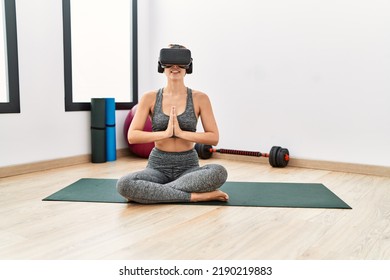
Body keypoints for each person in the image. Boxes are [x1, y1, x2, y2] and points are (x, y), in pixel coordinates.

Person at [116, 44, 228, 204]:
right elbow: (132, 136)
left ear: (188, 66)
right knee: (124, 184)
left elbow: (214, 137)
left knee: (219, 172)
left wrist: (181, 133)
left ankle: (155, 192)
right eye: (169, 63)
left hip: (189, 167)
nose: (175, 67)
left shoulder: (200, 98)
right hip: (157, 167)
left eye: (180, 63)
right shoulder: (150, 97)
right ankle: (193, 196)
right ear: (161, 65)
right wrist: (166, 133)